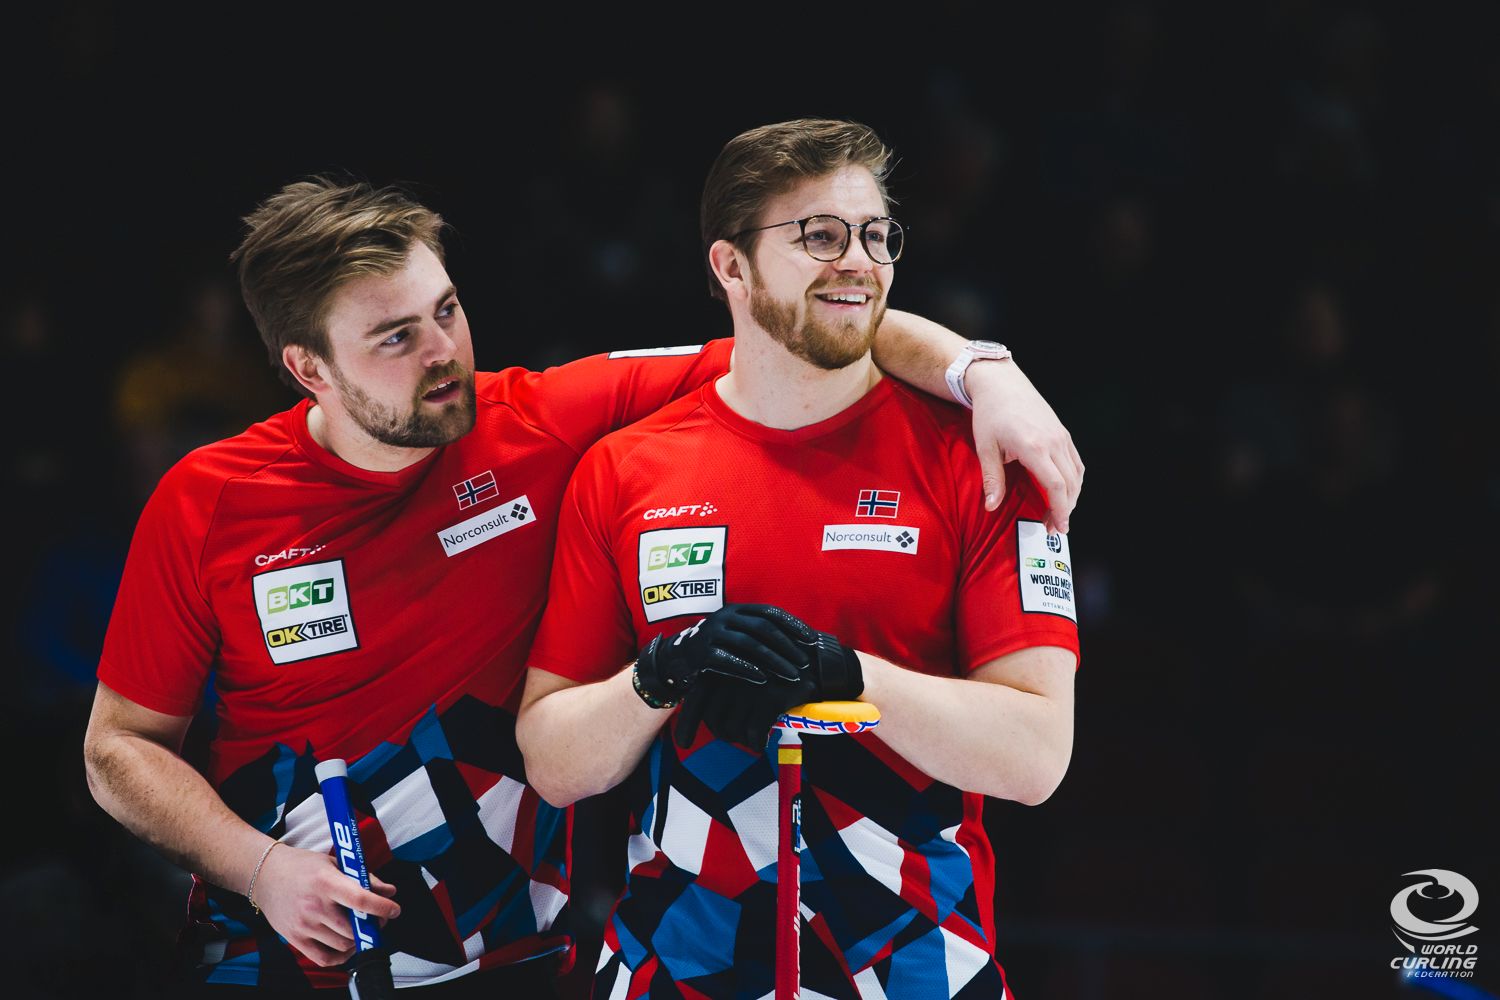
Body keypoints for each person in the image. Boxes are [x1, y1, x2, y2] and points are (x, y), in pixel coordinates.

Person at [82, 175, 1081, 996]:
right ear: (309, 368)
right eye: (395, 338)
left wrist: (984, 372)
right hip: (282, 951)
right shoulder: (208, 500)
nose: (444, 355)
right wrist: (261, 868)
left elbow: (801, 334)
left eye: (447, 311)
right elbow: (119, 749)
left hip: (516, 955)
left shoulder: (540, 422)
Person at [517, 119, 1080, 999]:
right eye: (819, 235)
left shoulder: (990, 455)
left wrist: (851, 677)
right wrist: (662, 674)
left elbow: (1037, 756)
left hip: (914, 961)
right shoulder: (624, 469)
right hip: (678, 965)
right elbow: (551, 762)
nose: (858, 260)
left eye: (875, 234)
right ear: (731, 267)